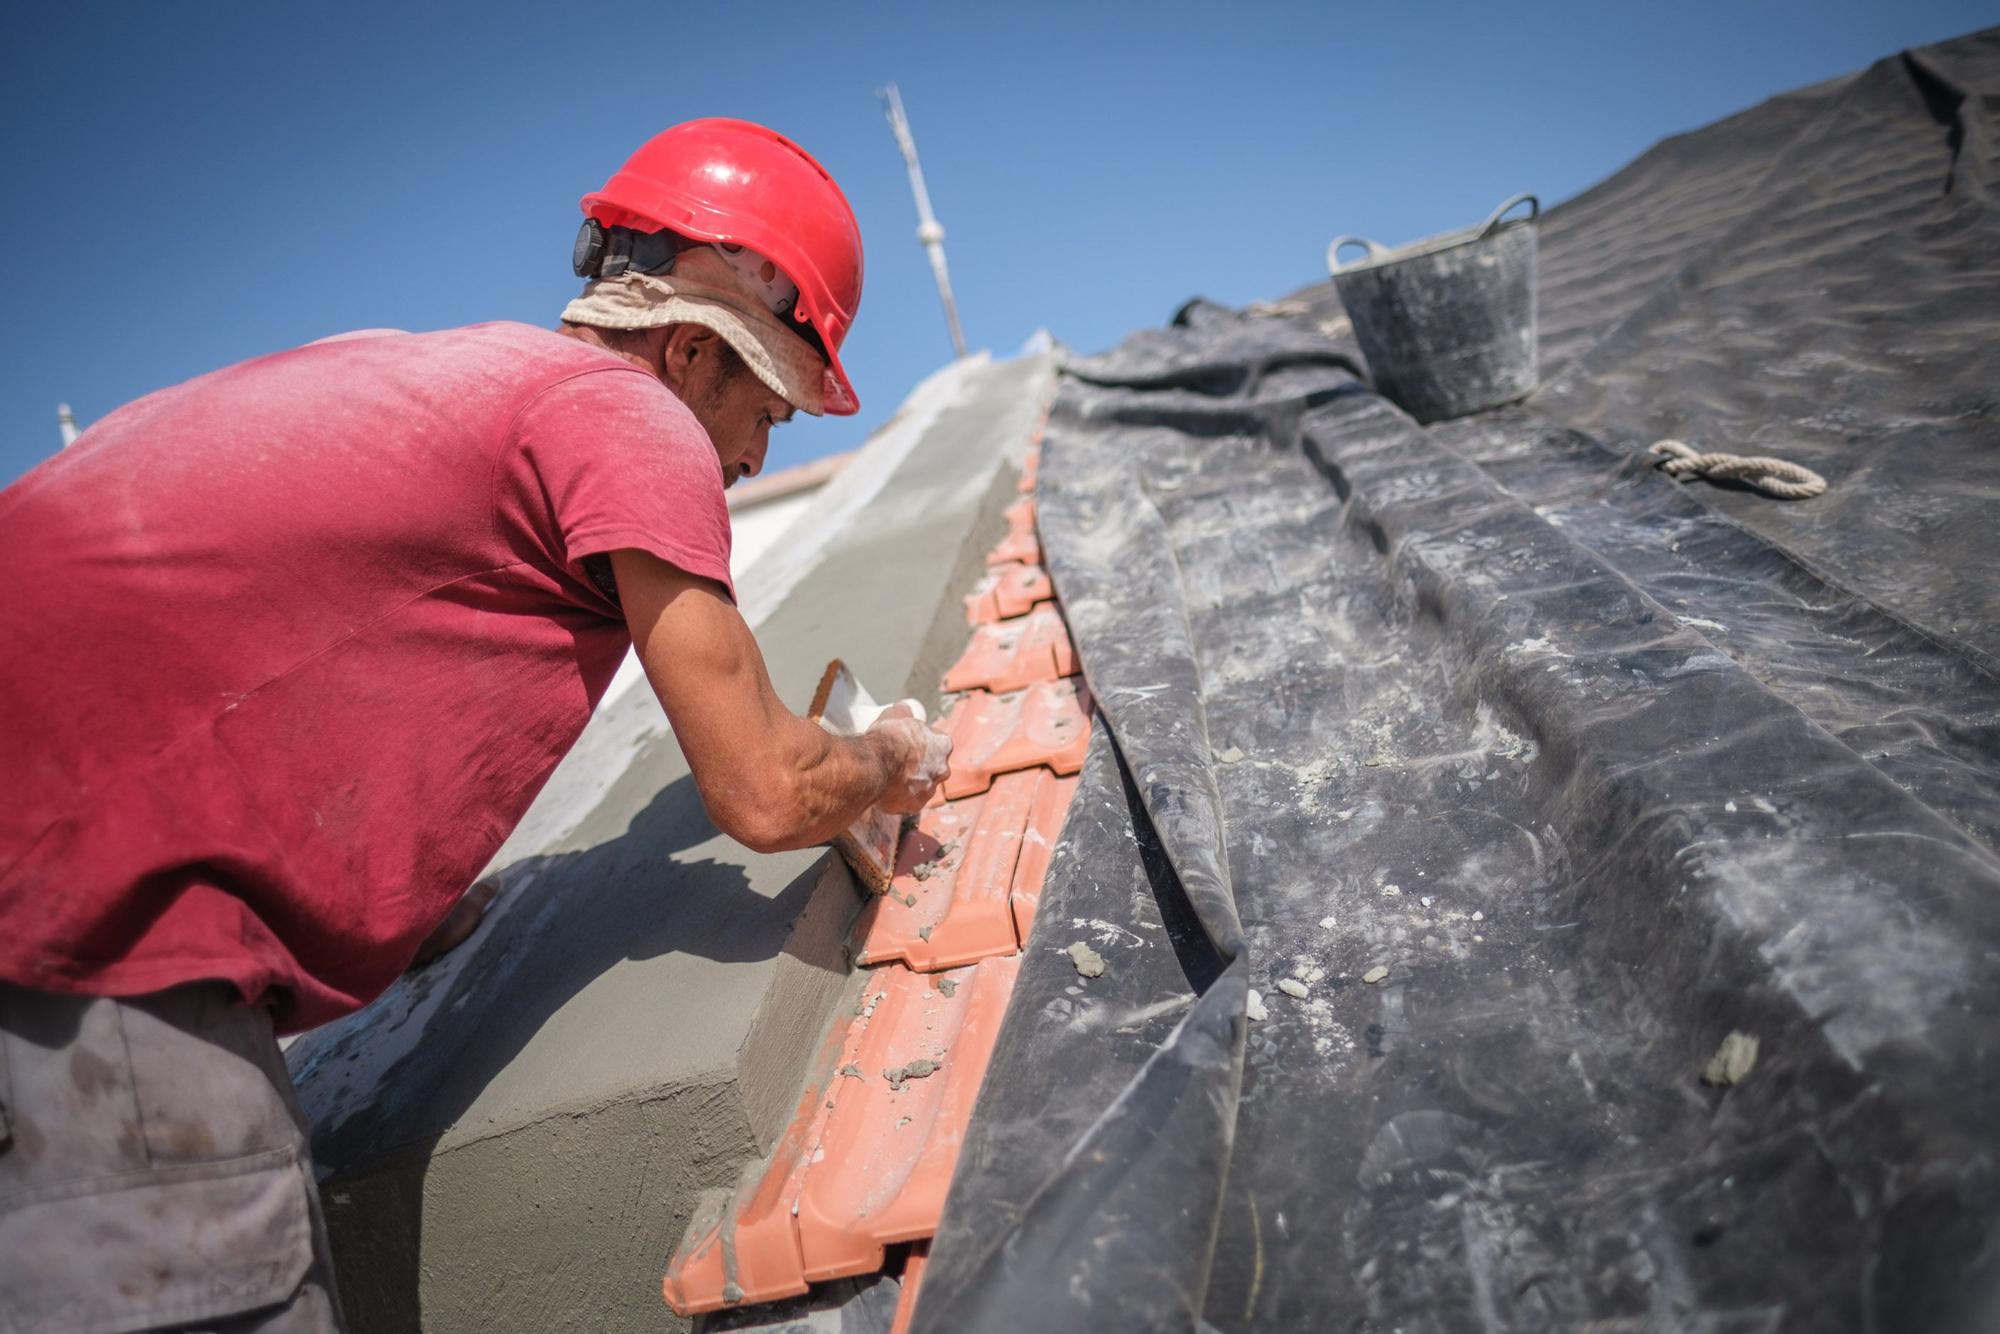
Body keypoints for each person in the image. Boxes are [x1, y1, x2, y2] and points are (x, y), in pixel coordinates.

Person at [0, 118, 951, 1332]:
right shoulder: (626, 414)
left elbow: (288, 659)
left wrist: (399, 907)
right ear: (688, 343)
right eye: (768, 401)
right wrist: (887, 758)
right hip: (87, 964)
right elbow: (763, 788)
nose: (759, 456)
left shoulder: (421, 374)